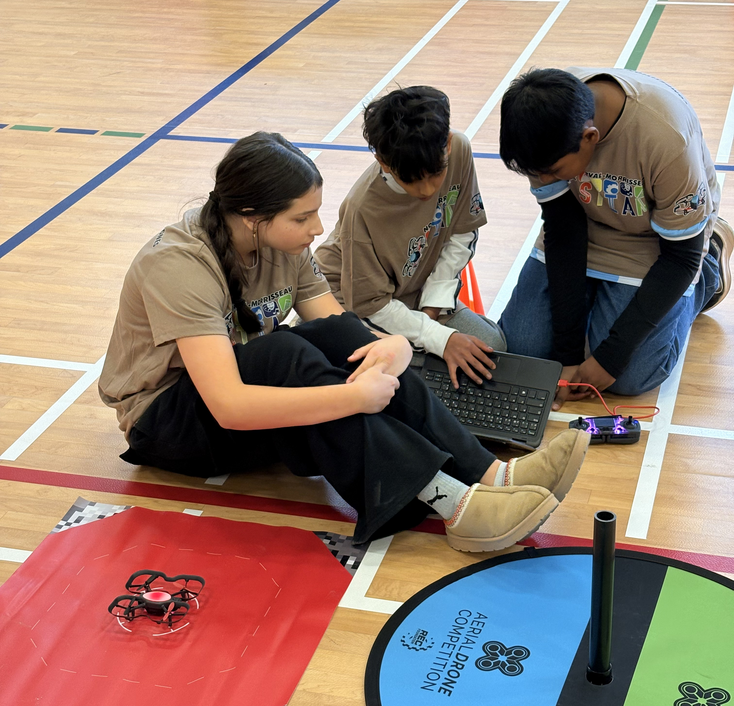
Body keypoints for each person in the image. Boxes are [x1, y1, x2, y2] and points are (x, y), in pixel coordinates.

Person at [99, 131, 589, 553]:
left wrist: (393, 348)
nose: (316, 229)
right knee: (282, 352)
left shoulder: (281, 244)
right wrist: (353, 396)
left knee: (335, 342)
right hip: (166, 422)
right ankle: (453, 506)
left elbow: (338, 328)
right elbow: (228, 405)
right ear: (251, 216)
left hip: (233, 402)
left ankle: (491, 475)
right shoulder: (179, 266)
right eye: (302, 218)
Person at [497, 67, 733, 409]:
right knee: (525, 352)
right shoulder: (541, 127)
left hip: (657, 243)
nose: (544, 179)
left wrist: (612, 356)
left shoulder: (666, 138)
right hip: (584, 228)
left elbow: (679, 259)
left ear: (590, 138)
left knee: (630, 377)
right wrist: (567, 353)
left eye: (553, 172)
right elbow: (564, 234)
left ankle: (708, 269)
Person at [314, 86, 506, 390]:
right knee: (390, 379)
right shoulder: (361, 208)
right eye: (413, 181)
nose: (428, 190)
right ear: (384, 162)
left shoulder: (461, 151)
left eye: (436, 173)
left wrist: (432, 309)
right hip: (351, 303)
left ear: (448, 145)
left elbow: (461, 232)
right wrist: (437, 337)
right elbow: (369, 306)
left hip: (416, 294)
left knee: (491, 346)